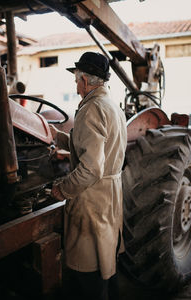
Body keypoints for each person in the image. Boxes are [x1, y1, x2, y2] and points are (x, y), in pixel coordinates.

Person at [49, 51, 127, 300]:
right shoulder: (111, 105)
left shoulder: (91, 109)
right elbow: (93, 146)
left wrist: (63, 188)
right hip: (110, 194)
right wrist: (56, 136)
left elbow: (91, 168)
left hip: (92, 199)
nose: (75, 84)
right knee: (107, 267)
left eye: (76, 79)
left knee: (88, 274)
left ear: (85, 80)